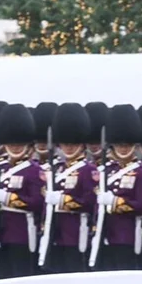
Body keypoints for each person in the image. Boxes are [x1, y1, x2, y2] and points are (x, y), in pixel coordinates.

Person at [0, 104, 43, 280]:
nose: (16, 147)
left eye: (20, 143)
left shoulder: (34, 170)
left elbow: (36, 202)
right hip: (0, 231)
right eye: (12, 143)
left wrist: (8, 198)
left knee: (21, 276)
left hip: (22, 232)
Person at [42, 103, 98, 274]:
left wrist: (60, 200)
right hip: (54, 232)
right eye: (65, 143)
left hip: (75, 232)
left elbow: (89, 202)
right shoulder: (55, 169)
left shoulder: (88, 170)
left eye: (73, 143)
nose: (69, 147)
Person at [95, 104, 142, 271]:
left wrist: (114, 202)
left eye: (127, 145)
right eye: (119, 144)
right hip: (105, 234)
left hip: (129, 236)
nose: (123, 148)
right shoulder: (106, 171)